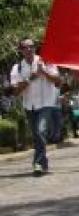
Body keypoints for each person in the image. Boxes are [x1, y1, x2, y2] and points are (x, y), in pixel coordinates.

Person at [9, 39, 61, 175]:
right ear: (21, 50)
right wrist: (29, 79)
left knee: (40, 131)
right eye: (26, 47)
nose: (30, 49)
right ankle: (43, 162)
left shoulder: (45, 61)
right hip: (29, 105)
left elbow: (57, 80)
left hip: (46, 104)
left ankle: (37, 163)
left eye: (32, 46)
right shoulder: (17, 68)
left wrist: (43, 72)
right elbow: (15, 91)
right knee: (37, 135)